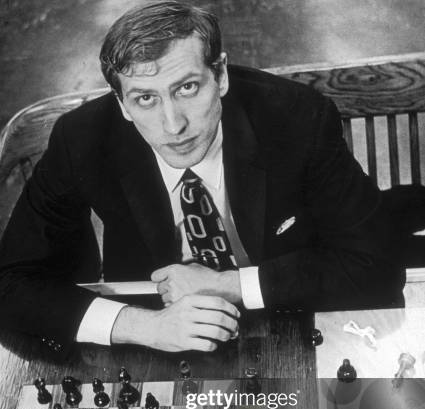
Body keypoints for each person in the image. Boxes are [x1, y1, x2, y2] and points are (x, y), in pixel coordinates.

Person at [0, 1, 404, 356]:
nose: (172, 125)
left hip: (287, 306)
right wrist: (143, 326)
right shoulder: (82, 138)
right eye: (145, 98)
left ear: (221, 76)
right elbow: (10, 284)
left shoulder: (298, 117)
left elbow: (378, 265)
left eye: (187, 87)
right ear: (122, 103)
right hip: (156, 322)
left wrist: (230, 285)